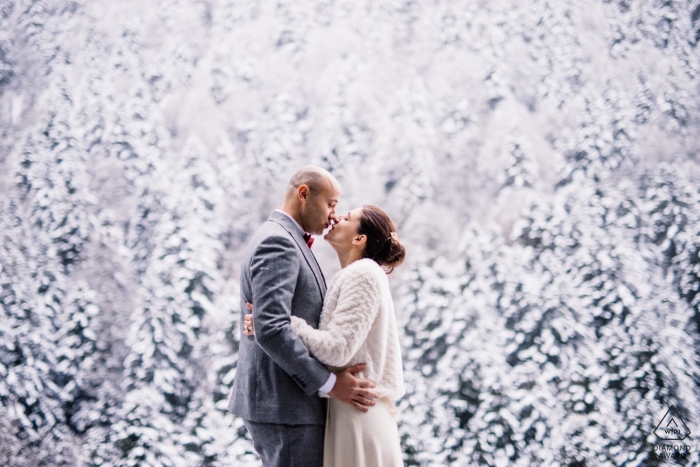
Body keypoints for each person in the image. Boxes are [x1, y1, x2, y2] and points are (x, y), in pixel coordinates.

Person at [228, 166, 380, 467]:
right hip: (286, 406)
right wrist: (329, 383)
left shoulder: (285, 239)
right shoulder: (279, 242)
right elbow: (270, 328)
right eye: (331, 203)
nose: (333, 215)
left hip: (288, 405)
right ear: (304, 194)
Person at [244, 204, 407, 467]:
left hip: (358, 414)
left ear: (358, 239)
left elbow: (336, 349)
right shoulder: (353, 274)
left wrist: (281, 321)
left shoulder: (363, 273)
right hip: (351, 410)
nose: (335, 216)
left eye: (346, 217)